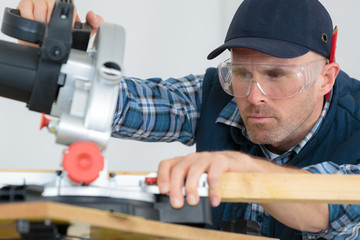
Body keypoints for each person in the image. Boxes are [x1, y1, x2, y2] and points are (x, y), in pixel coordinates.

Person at [16, 0, 360, 239]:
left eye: (277, 74)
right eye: (240, 73)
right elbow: (120, 103)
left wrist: (243, 168)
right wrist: (52, 62)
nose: (255, 96)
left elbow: (331, 209)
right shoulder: (216, 95)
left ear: (326, 78)